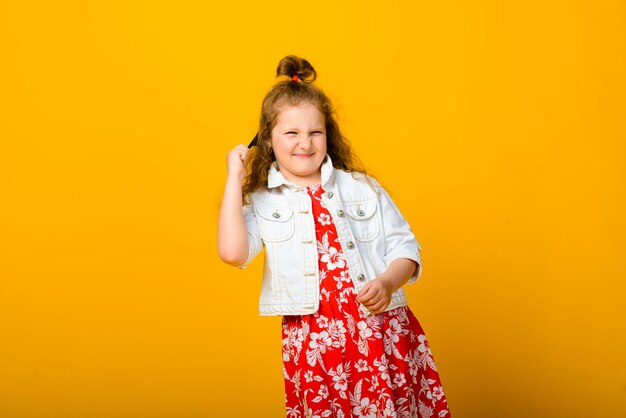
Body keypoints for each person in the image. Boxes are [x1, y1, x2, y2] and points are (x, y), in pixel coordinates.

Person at [218, 55, 451, 417]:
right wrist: (234, 178)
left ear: (328, 134)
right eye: (291, 133)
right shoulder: (264, 202)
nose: (304, 143)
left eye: (315, 132)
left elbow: (406, 248)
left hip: (381, 333)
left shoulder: (361, 187)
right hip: (315, 346)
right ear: (268, 140)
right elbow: (233, 253)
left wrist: (389, 281)